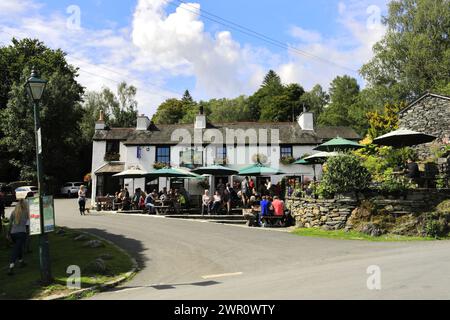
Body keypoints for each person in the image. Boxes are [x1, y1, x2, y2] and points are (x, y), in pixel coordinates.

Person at [7, 199, 30, 275]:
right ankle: (11, 266)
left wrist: (8, 234)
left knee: (18, 247)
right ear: (25, 205)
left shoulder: (13, 212)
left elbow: (10, 224)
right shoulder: (26, 213)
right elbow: (28, 224)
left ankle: (21, 262)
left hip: (13, 233)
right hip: (21, 233)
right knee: (16, 250)